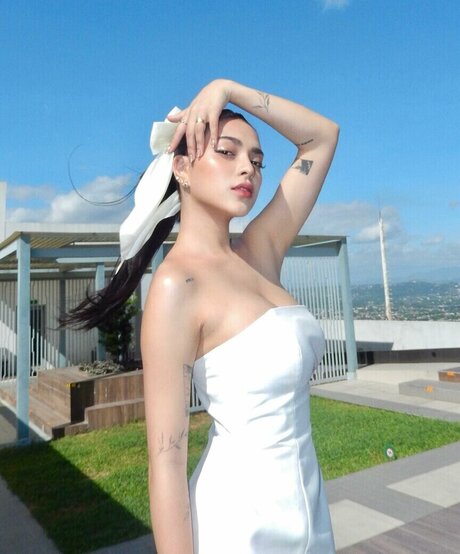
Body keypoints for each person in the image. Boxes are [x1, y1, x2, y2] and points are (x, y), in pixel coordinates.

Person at [65, 78, 339, 553]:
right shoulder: (177, 286)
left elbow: (322, 137)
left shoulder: (261, 248)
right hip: (238, 527)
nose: (248, 168)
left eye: (257, 160)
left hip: (310, 512)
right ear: (183, 168)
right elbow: (167, 461)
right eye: (227, 152)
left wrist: (226, 89)